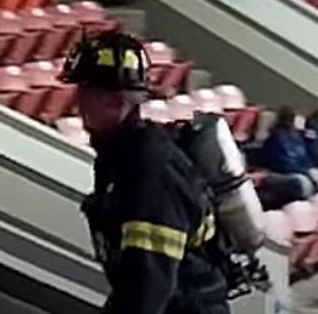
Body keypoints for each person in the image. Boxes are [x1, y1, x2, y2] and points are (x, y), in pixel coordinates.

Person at [61, 30, 230, 314]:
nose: (78, 104)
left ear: (115, 101)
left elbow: (148, 286)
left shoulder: (149, 170)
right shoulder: (119, 158)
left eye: (86, 93)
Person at [259, 106, 317, 200]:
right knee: (302, 183)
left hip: (303, 173)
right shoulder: (278, 138)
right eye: (299, 116)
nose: (303, 119)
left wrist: (312, 170)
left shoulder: (300, 139)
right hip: (284, 174)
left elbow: (306, 159)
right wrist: (308, 172)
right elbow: (284, 164)